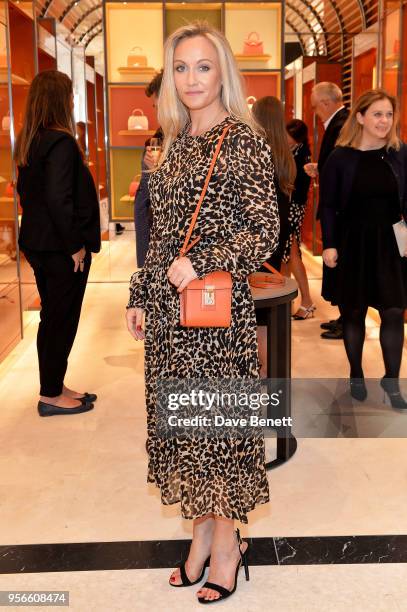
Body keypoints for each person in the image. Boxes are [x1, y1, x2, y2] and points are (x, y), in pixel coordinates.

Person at [126, 23, 279, 604]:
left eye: (204, 67)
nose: (192, 79)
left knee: (217, 429)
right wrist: (142, 294)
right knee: (188, 431)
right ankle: (201, 537)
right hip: (170, 319)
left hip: (217, 318)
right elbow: (157, 233)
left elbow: (264, 233)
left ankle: (225, 545)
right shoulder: (168, 142)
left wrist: (204, 258)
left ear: (224, 74)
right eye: (182, 68)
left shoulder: (243, 140)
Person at [16, 70, 101, 417]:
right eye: (69, 95)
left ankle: (54, 383)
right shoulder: (61, 142)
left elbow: (29, 194)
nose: (72, 101)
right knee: (61, 319)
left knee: (53, 316)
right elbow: (57, 197)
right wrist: (74, 246)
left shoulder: (32, 141)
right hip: (59, 247)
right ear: (59, 101)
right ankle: (51, 393)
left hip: (40, 244)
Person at [320, 89, 407, 407]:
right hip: (352, 243)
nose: (384, 121)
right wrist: (329, 244)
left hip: (390, 243)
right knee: (353, 312)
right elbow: (328, 205)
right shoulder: (341, 157)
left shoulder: (400, 152)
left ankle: (392, 381)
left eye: (388, 114)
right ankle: (356, 372)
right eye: (377, 114)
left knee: (394, 311)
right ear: (360, 117)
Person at [250, 96, 295, 375]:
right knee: (266, 315)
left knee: (250, 313)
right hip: (275, 243)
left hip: (253, 242)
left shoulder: (255, 152)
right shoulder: (285, 155)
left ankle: (256, 378)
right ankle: (267, 377)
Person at [304, 82, 349, 339]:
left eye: (314, 106)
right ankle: (344, 317)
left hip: (342, 209)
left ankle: (348, 320)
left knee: (340, 263)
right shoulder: (339, 122)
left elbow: (344, 165)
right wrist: (321, 167)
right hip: (337, 206)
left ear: (324, 103)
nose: (314, 112)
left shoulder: (342, 123)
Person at [285, 119, 314, 319]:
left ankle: (307, 301)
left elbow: (297, 189)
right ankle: (287, 301)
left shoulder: (302, 156)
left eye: (288, 138)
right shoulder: (293, 151)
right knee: (286, 256)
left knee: (292, 254)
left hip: (293, 209)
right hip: (288, 208)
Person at [134, 70, 163, 267]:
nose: (157, 113)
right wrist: (144, 259)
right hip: (159, 248)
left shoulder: (202, 140)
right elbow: (143, 200)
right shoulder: (155, 143)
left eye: (158, 105)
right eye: (155, 107)